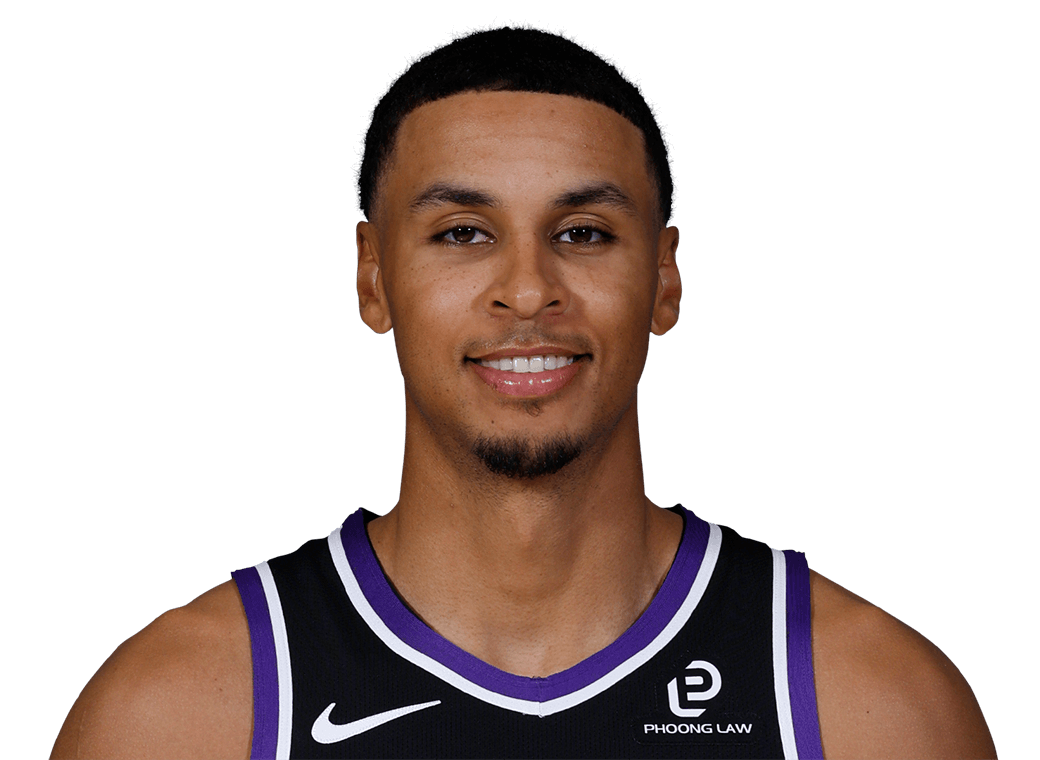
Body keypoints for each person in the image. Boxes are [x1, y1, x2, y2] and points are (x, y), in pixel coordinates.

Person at [51, 23, 997, 760]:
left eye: (583, 232)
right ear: (372, 278)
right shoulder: (178, 713)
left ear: (666, 279)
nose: (529, 289)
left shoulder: (867, 705)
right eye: (463, 232)